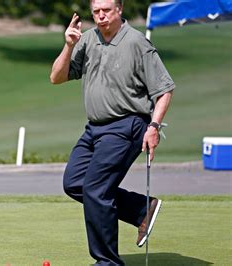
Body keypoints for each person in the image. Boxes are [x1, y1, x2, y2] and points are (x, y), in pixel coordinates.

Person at [49, 0, 174, 265]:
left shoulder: (136, 43)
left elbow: (164, 90)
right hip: (94, 128)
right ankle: (141, 208)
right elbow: (56, 77)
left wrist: (154, 126)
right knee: (74, 183)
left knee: (95, 189)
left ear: (119, 10)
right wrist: (69, 44)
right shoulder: (87, 39)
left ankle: (107, 262)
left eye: (107, 10)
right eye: (96, 11)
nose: (101, 16)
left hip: (127, 125)